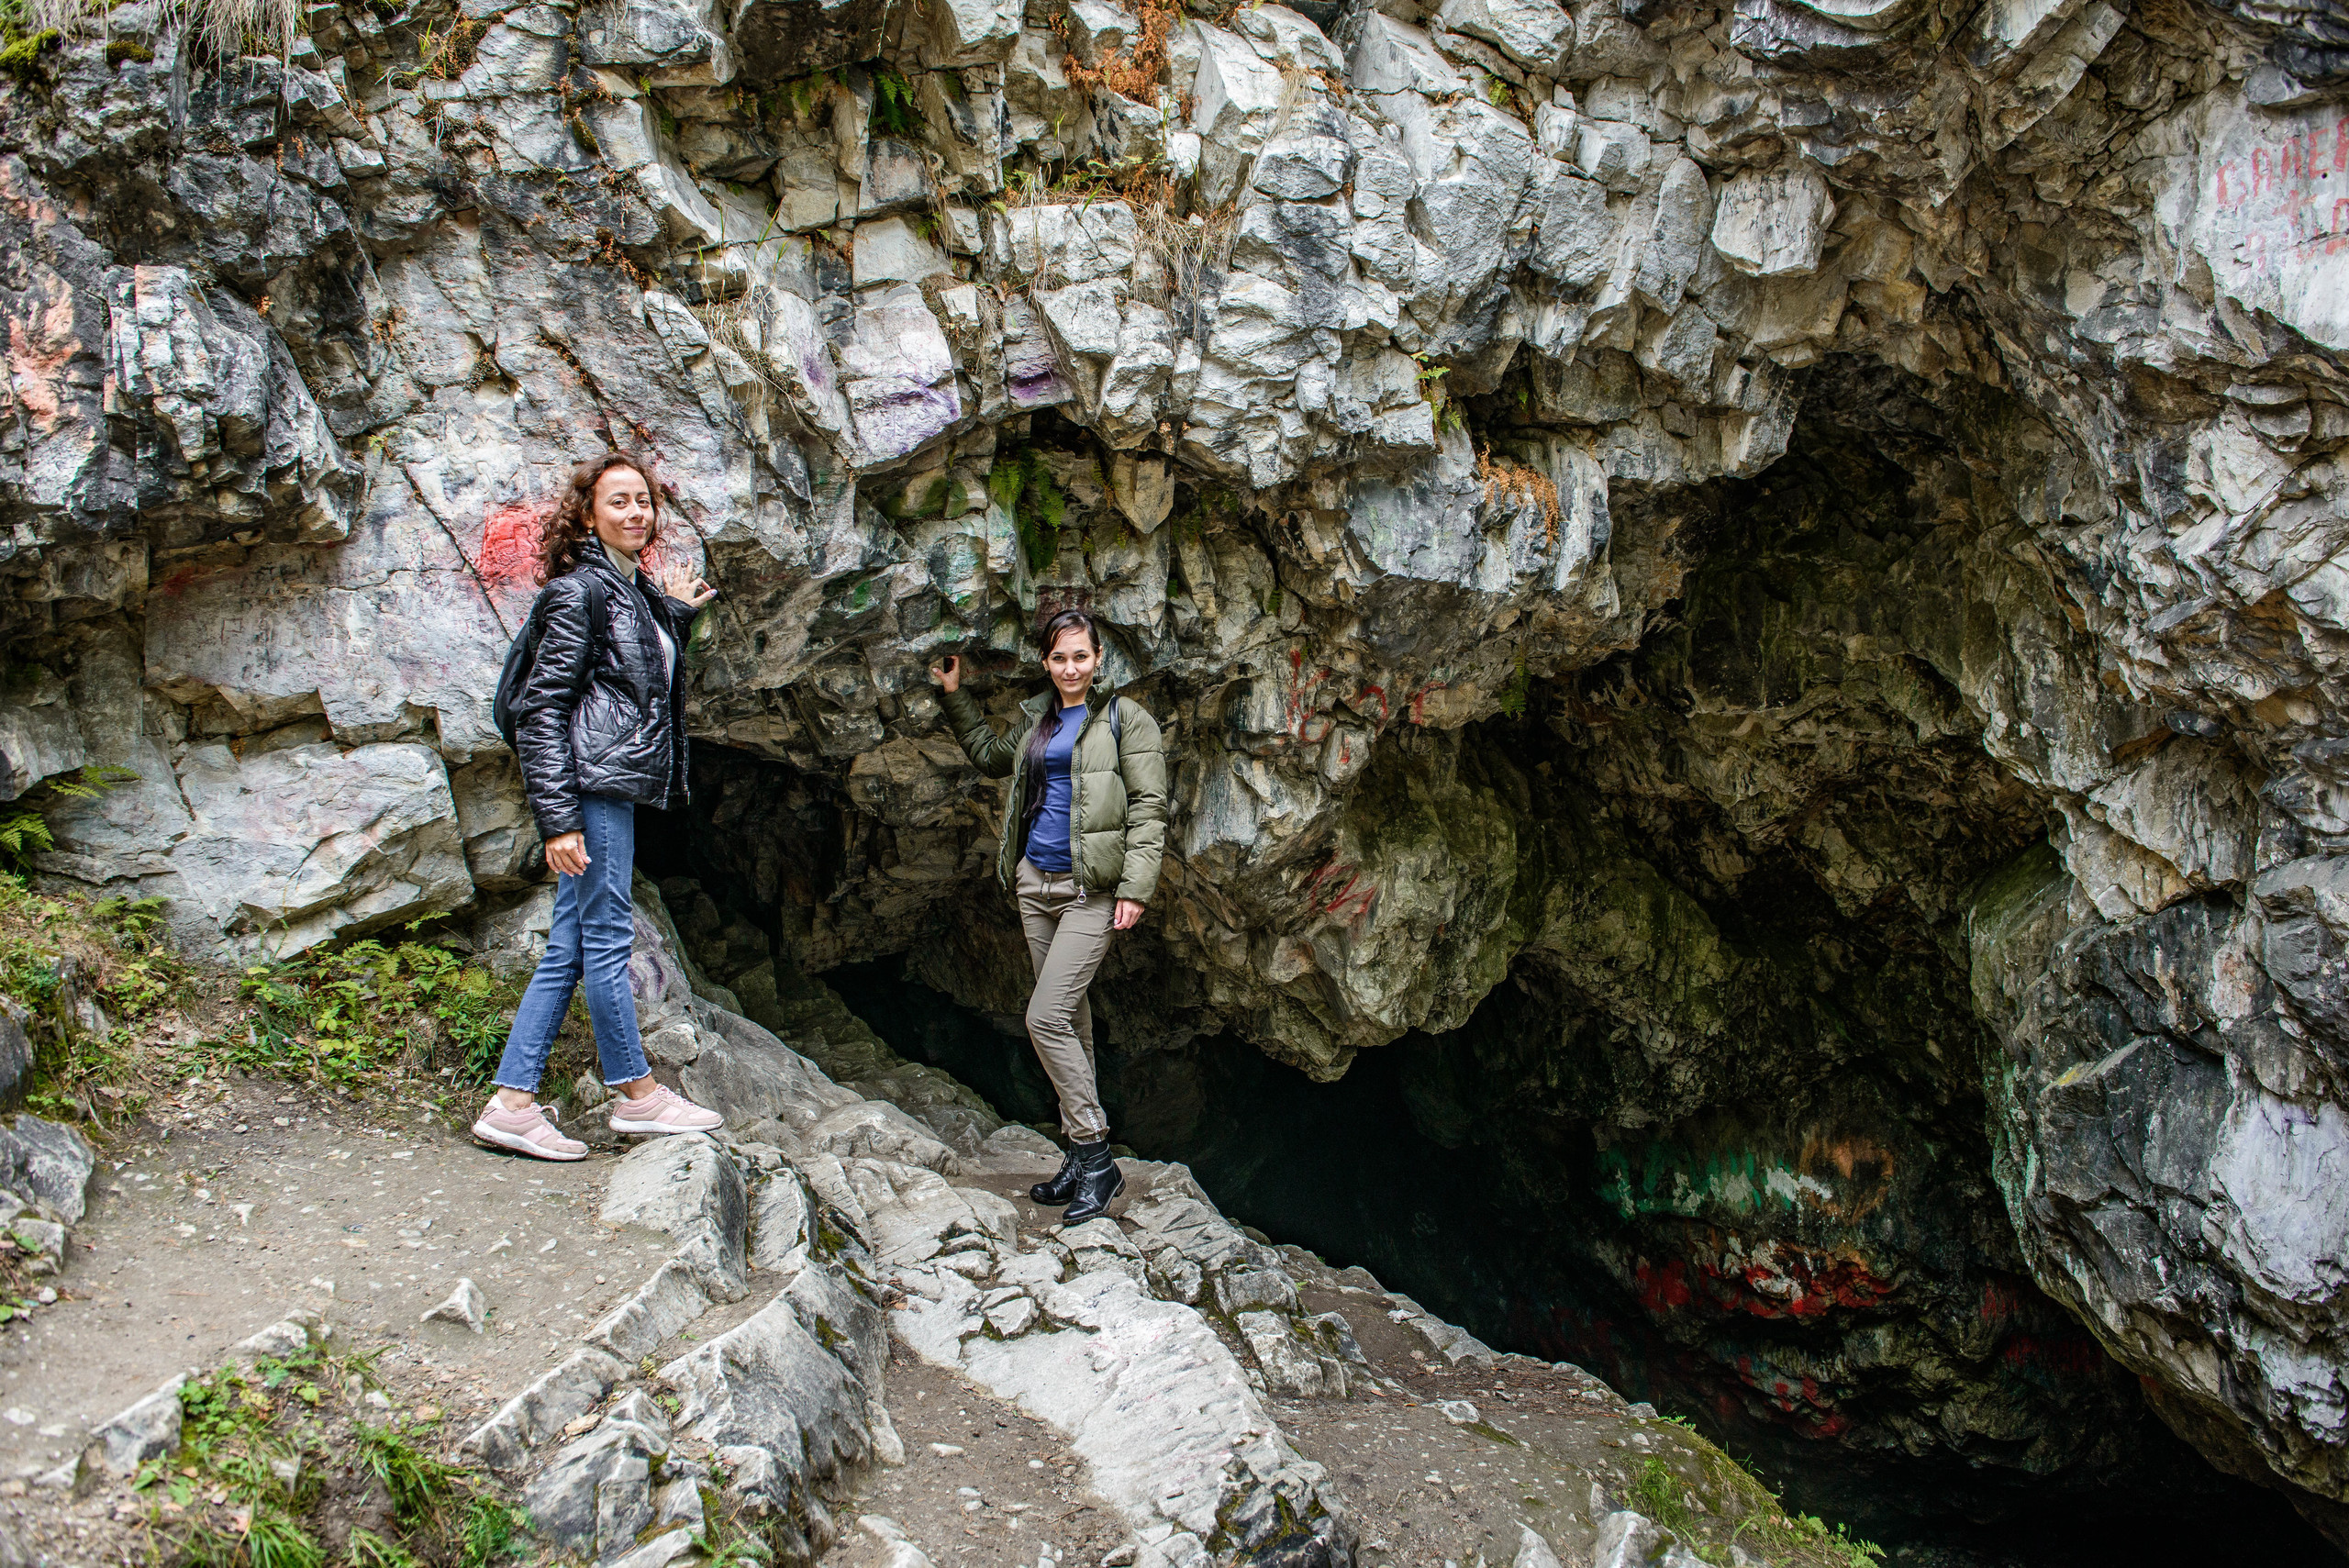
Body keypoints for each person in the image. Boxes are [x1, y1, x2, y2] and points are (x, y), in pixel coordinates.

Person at [472, 451, 729, 1161]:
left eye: (644, 500)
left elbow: (630, 679)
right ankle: (638, 1094)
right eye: (619, 501)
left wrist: (673, 614)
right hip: (592, 789)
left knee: (572, 944)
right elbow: (541, 710)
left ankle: (513, 1102)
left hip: (607, 784)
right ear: (588, 514)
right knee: (606, 940)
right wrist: (558, 820)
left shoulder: (630, 592)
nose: (636, 512)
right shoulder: (577, 593)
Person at [930, 608, 1166, 1222]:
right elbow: (988, 755)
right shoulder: (1037, 718)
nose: (1070, 667)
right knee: (1073, 1023)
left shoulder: (1124, 719)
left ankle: (1095, 1155)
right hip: (1035, 884)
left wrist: (1135, 887)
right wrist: (954, 696)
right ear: (1045, 661)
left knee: (1044, 1016)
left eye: (1080, 656)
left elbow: (1148, 806)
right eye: (1059, 657)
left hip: (1090, 890)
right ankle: (1077, 1152)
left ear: (1097, 661)